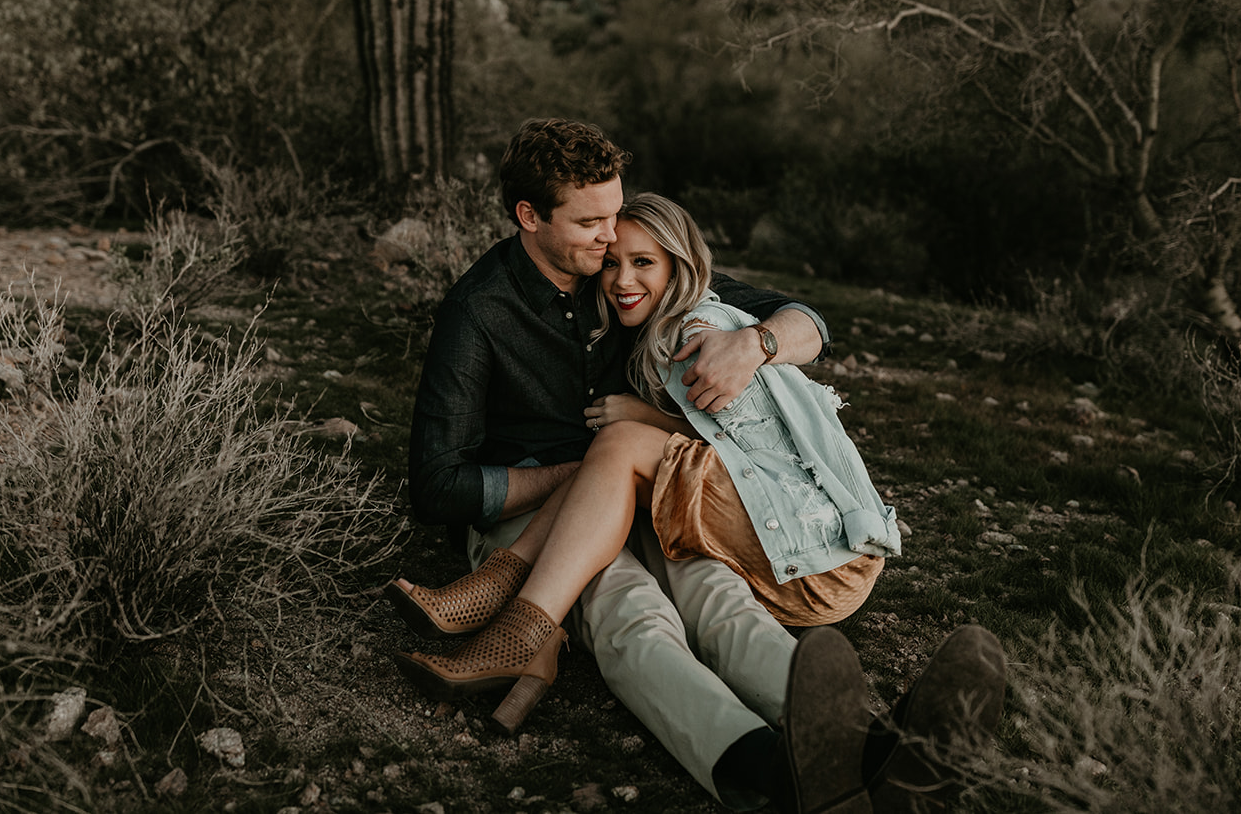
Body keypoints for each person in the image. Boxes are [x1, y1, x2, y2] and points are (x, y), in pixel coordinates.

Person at [397, 120, 1002, 812]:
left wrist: (754, 342)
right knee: (632, 615)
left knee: (717, 595)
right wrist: (584, 470)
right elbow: (439, 486)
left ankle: (873, 748)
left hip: (647, 484)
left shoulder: (623, 270)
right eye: (591, 221)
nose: (608, 235)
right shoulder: (478, 310)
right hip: (538, 511)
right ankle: (767, 772)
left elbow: (807, 321)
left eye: (614, 214)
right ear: (529, 217)